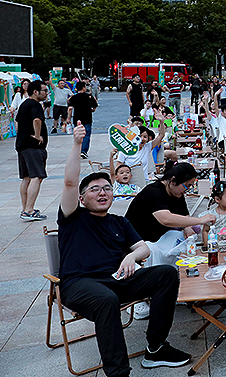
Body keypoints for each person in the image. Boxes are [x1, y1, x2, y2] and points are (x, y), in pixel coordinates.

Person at [58, 124, 192, 374]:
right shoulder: (73, 217)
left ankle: (156, 348)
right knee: (106, 300)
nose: (102, 193)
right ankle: (118, 372)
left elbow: (143, 249)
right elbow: (69, 182)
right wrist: (77, 144)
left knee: (166, 274)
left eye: (107, 188)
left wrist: (131, 256)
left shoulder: (119, 222)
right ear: (82, 198)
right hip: (79, 283)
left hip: (116, 279)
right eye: (94, 189)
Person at [125, 162, 215, 247]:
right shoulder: (154, 192)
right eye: (187, 185)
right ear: (173, 181)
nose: (187, 190)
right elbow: (166, 219)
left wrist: (187, 227)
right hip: (138, 242)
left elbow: (184, 214)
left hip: (158, 240)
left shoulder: (177, 193)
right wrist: (200, 220)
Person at [16, 80, 50, 221]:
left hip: (22, 145)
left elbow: (17, 122)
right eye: (44, 91)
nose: (46, 93)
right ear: (35, 92)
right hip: (33, 147)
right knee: (37, 176)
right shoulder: (35, 105)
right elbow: (37, 120)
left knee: (26, 178)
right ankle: (29, 210)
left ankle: (25, 209)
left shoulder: (24, 104)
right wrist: (37, 135)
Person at [67, 80, 98, 159]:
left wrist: (68, 118)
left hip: (77, 119)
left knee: (78, 135)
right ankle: (84, 151)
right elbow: (95, 105)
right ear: (83, 88)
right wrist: (92, 110)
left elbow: (70, 108)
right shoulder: (89, 97)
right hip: (87, 118)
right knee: (86, 135)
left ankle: (77, 150)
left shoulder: (74, 97)